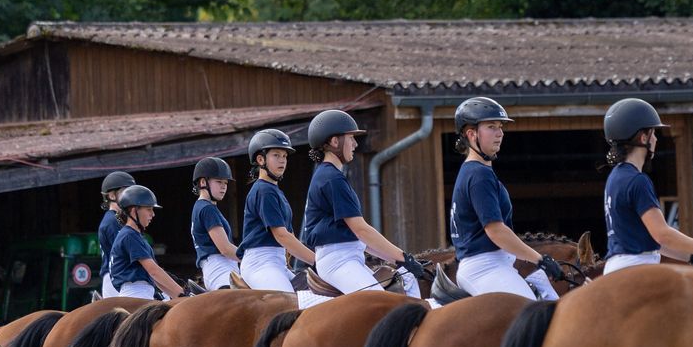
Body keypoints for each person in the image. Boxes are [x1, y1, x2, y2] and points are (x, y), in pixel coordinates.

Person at [300, 109, 426, 300]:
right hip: (339, 261)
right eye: (351, 138)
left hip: (346, 256)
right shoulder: (332, 179)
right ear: (335, 142)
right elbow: (362, 230)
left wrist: (399, 260)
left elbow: (361, 240)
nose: (355, 144)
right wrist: (403, 257)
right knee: (381, 303)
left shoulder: (330, 175)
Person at [449, 97, 564, 300]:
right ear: (471, 134)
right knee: (530, 311)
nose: (500, 133)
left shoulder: (475, 171)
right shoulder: (479, 175)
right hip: (485, 267)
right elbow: (496, 231)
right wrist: (540, 260)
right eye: (491, 127)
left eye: (500, 127)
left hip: (494, 264)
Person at [600, 98, 693, 274]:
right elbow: (662, 234)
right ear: (643, 138)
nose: (656, 139)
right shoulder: (638, 180)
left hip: (615, 268)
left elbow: (653, 241)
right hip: (638, 268)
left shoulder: (615, 177)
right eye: (653, 133)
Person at [238, 128, 318, 292]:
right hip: (261, 263)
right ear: (260, 159)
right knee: (288, 301)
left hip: (277, 261)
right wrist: (317, 261)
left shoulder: (274, 191)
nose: (282, 160)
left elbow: (289, 236)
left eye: (284, 156)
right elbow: (281, 235)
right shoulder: (264, 190)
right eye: (276, 155)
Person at [107, 185, 184, 300]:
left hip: (142, 291)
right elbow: (154, 271)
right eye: (149, 209)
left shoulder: (134, 235)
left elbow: (155, 278)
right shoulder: (130, 235)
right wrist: (183, 293)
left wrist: (179, 297)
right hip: (136, 293)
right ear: (134, 211)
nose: (153, 214)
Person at [190, 157, 241, 290]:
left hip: (218, 267)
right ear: (203, 182)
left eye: (225, 183)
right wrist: (250, 256)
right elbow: (225, 248)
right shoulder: (207, 209)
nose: (223, 186)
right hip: (220, 268)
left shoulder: (202, 207)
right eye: (219, 181)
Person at [96, 171, 135, 298]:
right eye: (126, 192)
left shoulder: (120, 220)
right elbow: (125, 253)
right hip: (118, 278)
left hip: (119, 276)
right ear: (112, 196)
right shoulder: (113, 222)